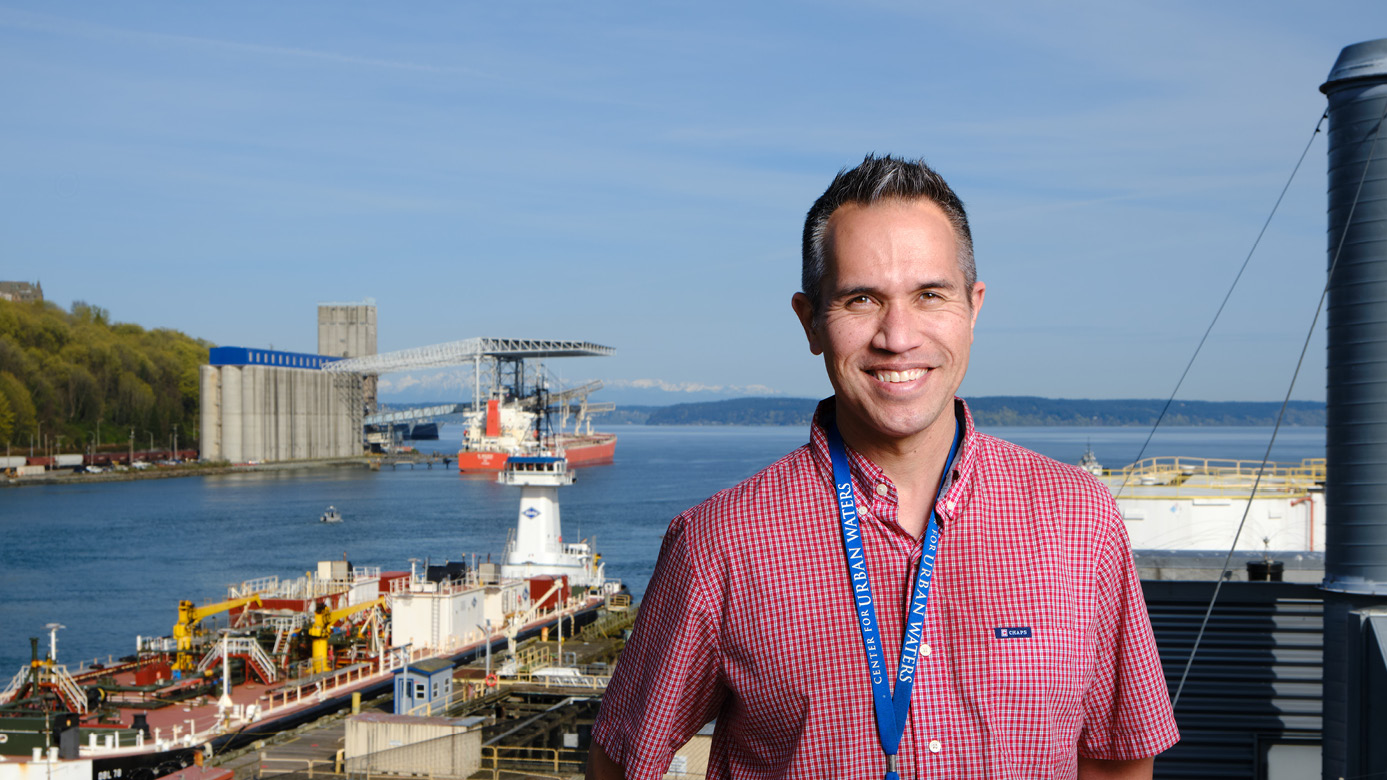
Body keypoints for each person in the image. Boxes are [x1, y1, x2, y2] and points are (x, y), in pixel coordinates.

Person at [587, 155, 1179, 779]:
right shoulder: (722, 544)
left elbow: (1117, 761)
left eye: (930, 295)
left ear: (973, 308)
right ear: (810, 320)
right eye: (861, 299)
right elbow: (619, 762)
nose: (898, 337)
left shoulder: (1078, 517)